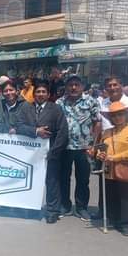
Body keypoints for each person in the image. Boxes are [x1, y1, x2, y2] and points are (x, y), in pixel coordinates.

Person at [15, 79, 68, 224]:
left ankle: (52, 211)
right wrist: (35, 131)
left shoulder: (55, 109)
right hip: (30, 155)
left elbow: (63, 131)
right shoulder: (26, 108)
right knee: (31, 181)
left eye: (43, 92)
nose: (40, 94)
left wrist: (53, 152)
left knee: (52, 182)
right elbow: (18, 126)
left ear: (48, 94)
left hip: (50, 153)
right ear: (34, 94)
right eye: (38, 91)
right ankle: (31, 208)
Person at [56, 75, 101, 221]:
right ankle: (65, 205)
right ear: (66, 87)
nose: (73, 87)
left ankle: (81, 207)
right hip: (65, 147)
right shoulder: (59, 102)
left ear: (82, 86)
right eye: (70, 85)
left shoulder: (91, 101)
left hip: (85, 147)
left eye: (76, 84)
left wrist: (94, 144)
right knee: (63, 178)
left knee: (83, 179)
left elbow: (97, 122)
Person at [94, 102, 128, 236]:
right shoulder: (107, 132)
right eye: (114, 116)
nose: (117, 118)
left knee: (126, 197)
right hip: (108, 170)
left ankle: (125, 223)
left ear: (126, 115)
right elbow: (101, 148)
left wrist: (114, 158)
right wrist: (100, 155)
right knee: (111, 195)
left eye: (120, 114)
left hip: (126, 168)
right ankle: (113, 218)